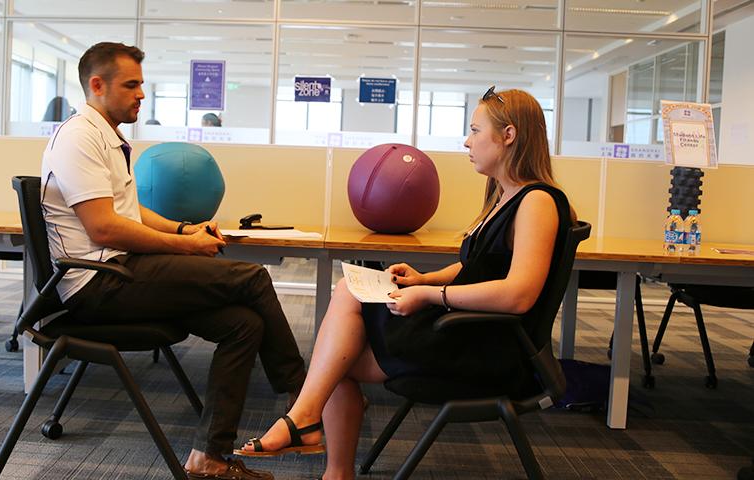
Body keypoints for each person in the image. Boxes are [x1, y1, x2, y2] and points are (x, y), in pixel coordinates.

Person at [235, 87, 575, 480]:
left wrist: (430, 294)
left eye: (475, 130)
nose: (467, 140)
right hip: (470, 329)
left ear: (509, 135)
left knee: (337, 344)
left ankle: (307, 426)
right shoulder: (506, 196)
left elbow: (518, 295)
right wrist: (424, 277)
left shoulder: (537, 202)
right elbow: (476, 267)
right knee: (336, 352)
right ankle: (317, 440)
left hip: (490, 348)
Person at [41, 42, 306, 480]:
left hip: (121, 270)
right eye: (131, 85)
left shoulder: (105, 134)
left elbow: (128, 210)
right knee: (252, 278)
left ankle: (209, 458)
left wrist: (185, 229)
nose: (141, 94)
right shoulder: (79, 137)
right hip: (99, 283)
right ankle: (305, 400)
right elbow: (104, 228)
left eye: (141, 84)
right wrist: (188, 248)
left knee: (245, 324)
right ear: (97, 84)